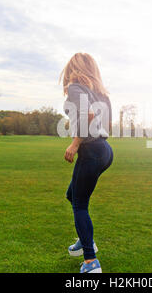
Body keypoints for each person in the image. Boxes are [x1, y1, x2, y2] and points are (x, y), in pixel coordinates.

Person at [60, 53, 113, 273]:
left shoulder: (74, 86)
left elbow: (89, 116)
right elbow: (101, 119)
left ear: (72, 68)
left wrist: (74, 144)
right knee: (72, 195)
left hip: (91, 150)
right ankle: (85, 240)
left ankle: (91, 262)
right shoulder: (99, 91)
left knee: (79, 204)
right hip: (104, 150)